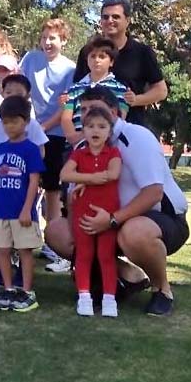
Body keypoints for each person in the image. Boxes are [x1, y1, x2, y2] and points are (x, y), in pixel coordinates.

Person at [45, 87, 189, 316]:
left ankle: (162, 289)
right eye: (83, 110)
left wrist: (111, 220)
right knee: (56, 231)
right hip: (106, 219)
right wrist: (79, 233)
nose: (88, 115)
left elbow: (153, 193)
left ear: (114, 112)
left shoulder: (137, 137)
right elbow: (72, 196)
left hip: (158, 217)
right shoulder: (83, 146)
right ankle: (125, 277)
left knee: (133, 233)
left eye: (95, 109)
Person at [19, 18, 76, 271]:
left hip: (56, 134)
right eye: (44, 37)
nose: (47, 42)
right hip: (30, 131)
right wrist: (29, 124)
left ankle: (54, 243)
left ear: (63, 40)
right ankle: (24, 240)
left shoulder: (70, 69)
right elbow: (22, 90)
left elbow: (66, 106)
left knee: (52, 189)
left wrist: (42, 127)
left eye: (53, 38)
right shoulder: (30, 59)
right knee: (26, 183)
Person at [60, 107, 121, 317]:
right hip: (83, 212)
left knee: (106, 255)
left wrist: (86, 178)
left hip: (107, 212)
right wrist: (90, 179)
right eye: (90, 126)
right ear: (83, 130)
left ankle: (109, 298)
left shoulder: (113, 152)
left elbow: (114, 173)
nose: (96, 131)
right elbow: (65, 174)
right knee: (84, 255)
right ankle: (84, 296)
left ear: (109, 131)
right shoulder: (79, 153)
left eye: (102, 127)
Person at [0, 96, 46, 313]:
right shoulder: (0, 148)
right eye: (5, 122)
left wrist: (26, 208)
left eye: (14, 121)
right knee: (2, 250)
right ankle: (9, 288)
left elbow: (34, 181)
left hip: (21, 211)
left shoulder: (30, 149)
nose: (9, 126)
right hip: (1, 209)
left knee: (24, 251)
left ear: (25, 122)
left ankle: (27, 291)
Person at [73, 0, 167, 127]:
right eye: (105, 17)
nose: (110, 21)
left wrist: (135, 100)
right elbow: (77, 90)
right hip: (92, 134)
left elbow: (161, 91)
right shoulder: (88, 52)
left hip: (129, 130)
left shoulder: (142, 52)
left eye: (115, 17)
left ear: (127, 21)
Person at [62, 37, 129, 145]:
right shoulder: (74, 88)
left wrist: (95, 135)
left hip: (107, 146)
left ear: (111, 62)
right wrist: (74, 137)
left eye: (102, 57)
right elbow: (66, 118)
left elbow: (119, 119)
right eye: (92, 56)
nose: (96, 60)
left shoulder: (121, 90)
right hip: (77, 145)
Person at [0, 74, 49, 149]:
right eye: (8, 92)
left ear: (28, 96)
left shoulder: (32, 124)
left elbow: (40, 151)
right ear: (2, 94)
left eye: (19, 94)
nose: (13, 96)